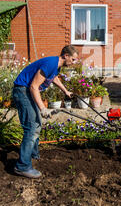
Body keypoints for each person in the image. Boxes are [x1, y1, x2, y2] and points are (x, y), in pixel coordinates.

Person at [12, 45, 79, 178]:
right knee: (31, 127)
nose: (75, 62)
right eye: (74, 59)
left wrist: (65, 91)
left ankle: (33, 154)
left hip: (27, 91)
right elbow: (33, 86)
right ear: (66, 56)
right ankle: (22, 166)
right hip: (23, 91)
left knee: (36, 124)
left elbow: (53, 77)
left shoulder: (56, 66)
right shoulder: (51, 63)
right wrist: (43, 108)